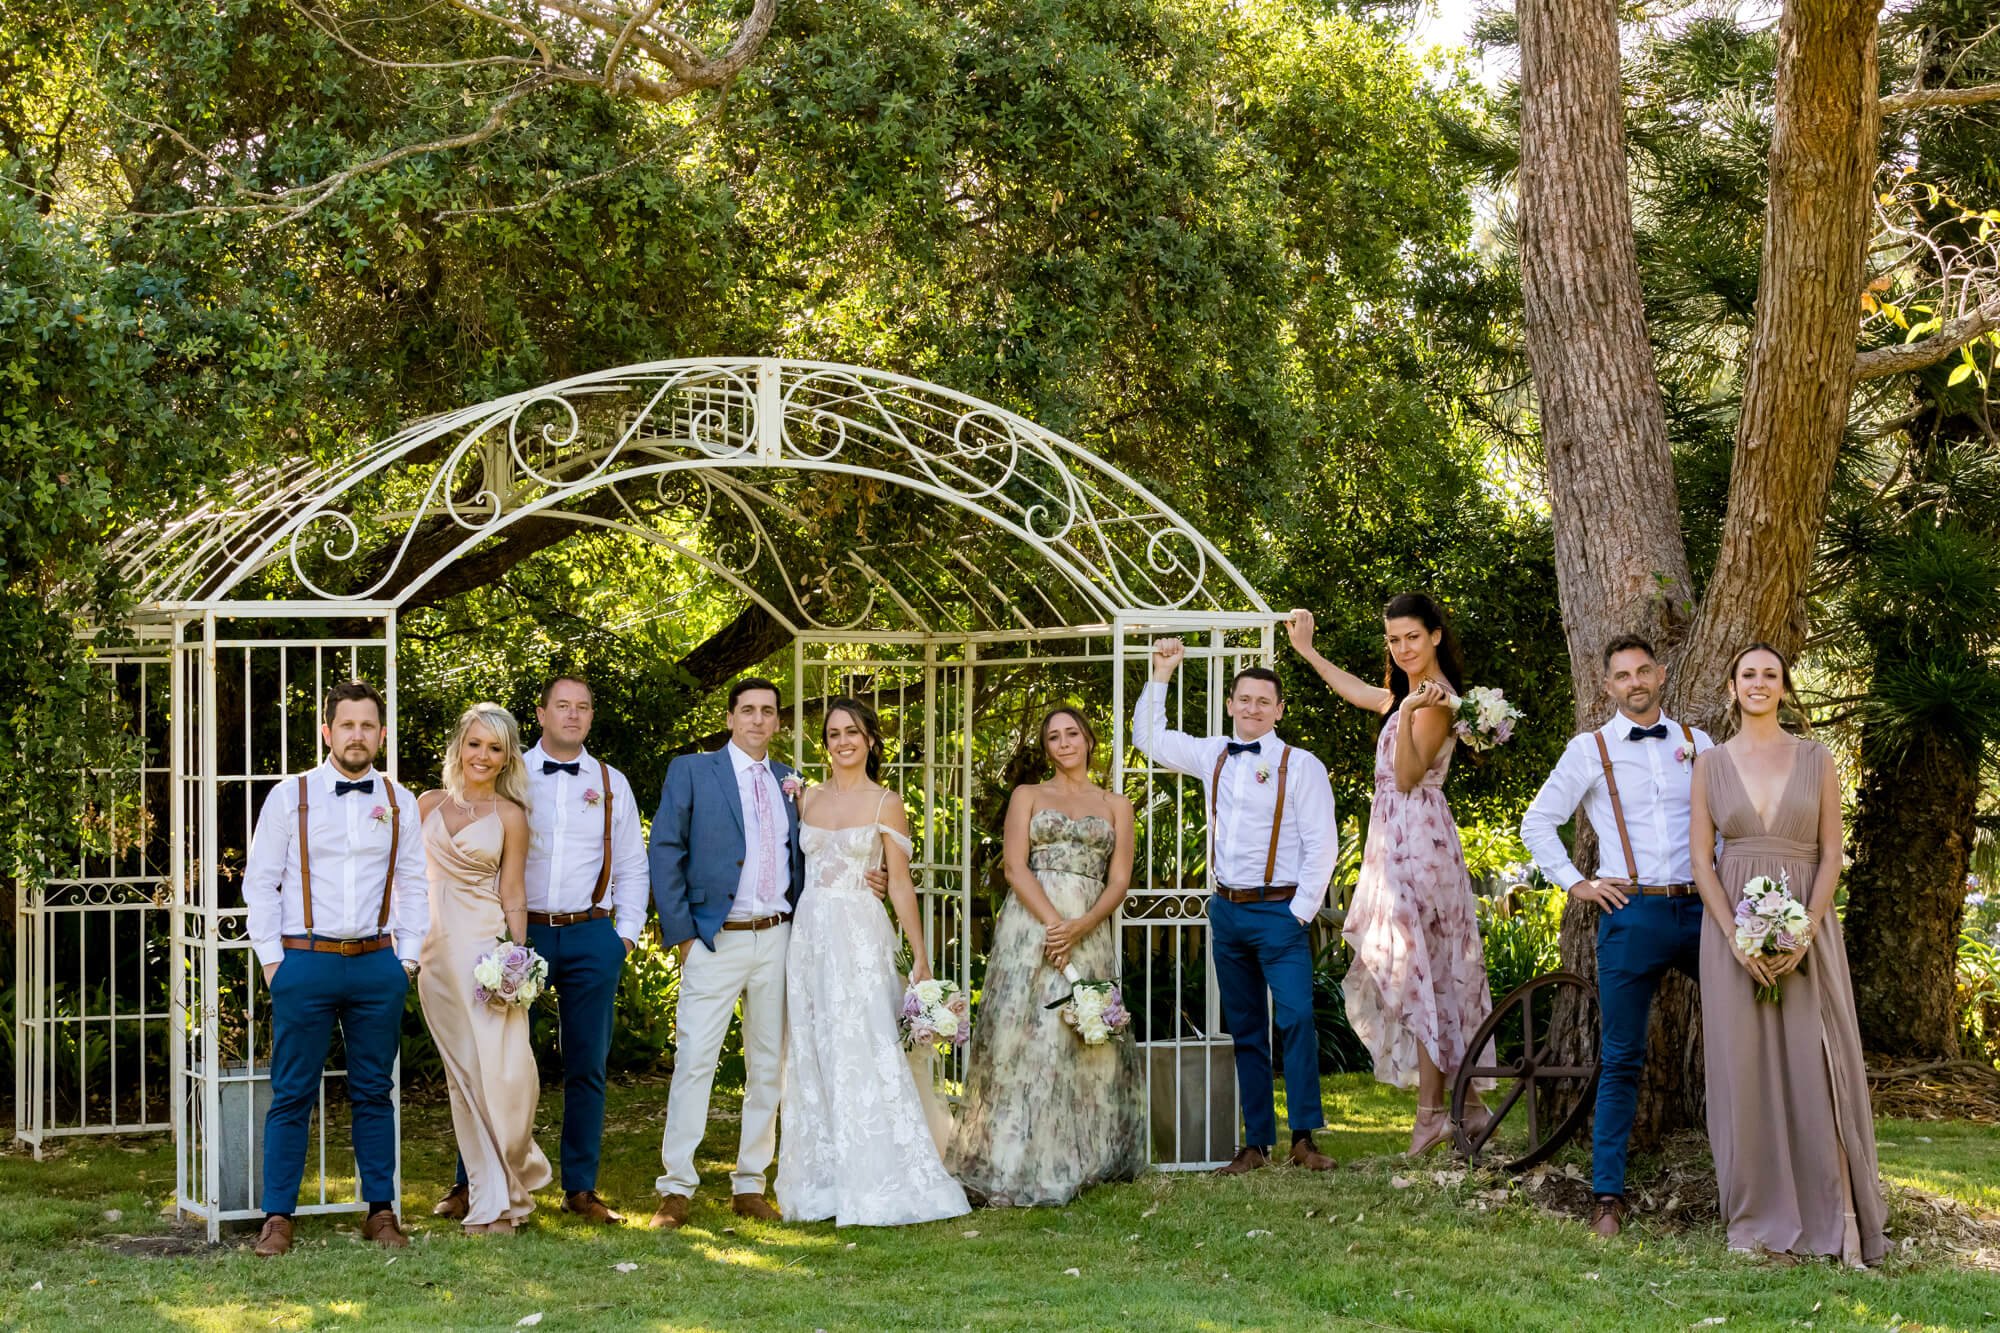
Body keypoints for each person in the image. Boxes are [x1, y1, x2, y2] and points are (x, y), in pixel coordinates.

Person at [645, 677, 884, 1229]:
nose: (757, 719)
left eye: (768, 712)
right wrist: (683, 935)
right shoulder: (693, 771)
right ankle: (676, 1188)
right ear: (730, 717)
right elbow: (665, 848)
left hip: (781, 937)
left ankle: (750, 1182)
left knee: (770, 1066)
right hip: (714, 937)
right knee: (695, 1061)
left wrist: (874, 876)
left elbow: (831, 849)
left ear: (779, 722)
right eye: (747, 710)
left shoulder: (792, 784)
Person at [1691, 643, 1886, 1266]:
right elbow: (1702, 860)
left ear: (1783, 687)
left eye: (1770, 675)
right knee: (1742, 1071)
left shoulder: (1816, 758)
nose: (1759, 683)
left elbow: (1832, 854)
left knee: (1815, 1068)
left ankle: (1836, 1216)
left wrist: (1801, 932)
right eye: (1748, 674)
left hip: (1810, 927)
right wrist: (1734, 936)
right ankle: (1755, 1218)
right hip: (1731, 941)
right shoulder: (1710, 763)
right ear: (1732, 686)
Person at [431, 676, 648, 1227]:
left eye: (583, 707)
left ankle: (580, 1187)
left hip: (588, 934)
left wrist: (622, 936)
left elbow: (631, 863)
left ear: (592, 716)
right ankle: (472, 1180)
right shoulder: (509, 772)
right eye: (562, 706)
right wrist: (508, 946)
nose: (573, 716)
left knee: (587, 1064)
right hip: (507, 936)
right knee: (493, 1059)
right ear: (542, 712)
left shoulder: (611, 782)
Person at [1520, 633, 1711, 1238]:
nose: (1634, 682)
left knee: (1741, 1044)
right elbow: (1538, 823)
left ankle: (1757, 1184)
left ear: (1660, 675)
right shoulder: (1590, 748)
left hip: (1702, 912)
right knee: (1623, 1057)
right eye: (1622, 675)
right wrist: (1577, 883)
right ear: (1607, 686)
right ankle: (1607, 1195)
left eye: (1643, 671)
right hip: (1631, 914)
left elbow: (1727, 824)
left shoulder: (1697, 744)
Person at [1288, 597, 1493, 1157]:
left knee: (1420, 975)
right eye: (1394, 641)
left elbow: (1405, 776)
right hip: (1401, 840)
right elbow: (1361, 692)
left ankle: (1434, 1115)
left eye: (1412, 638)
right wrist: (1309, 653)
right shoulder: (1412, 696)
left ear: (1434, 636)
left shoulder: (1434, 702)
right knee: (1428, 976)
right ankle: (1464, 1107)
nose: (1403, 649)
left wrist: (1405, 714)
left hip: (1418, 845)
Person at [1133, 638, 1339, 1175]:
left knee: (1295, 1019)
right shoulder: (1215, 755)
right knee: (1245, 1027)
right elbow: (1149, 738)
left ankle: (1304, 1137)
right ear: (1230, 704)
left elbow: (1322, 844)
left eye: (1263, 701)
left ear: (1278, 710)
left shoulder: (1303, 765)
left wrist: (1300, 912)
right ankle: (1255, 1143)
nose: (1252, 708)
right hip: (1226, 910)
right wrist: (1162, 674)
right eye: (1243, 699)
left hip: (1280, 913)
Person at [242, 680, 429, 1257]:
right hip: (305, 961)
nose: (357, 735)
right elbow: (260, 882)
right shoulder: (289, 796)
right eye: (346, 725)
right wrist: (273, 960)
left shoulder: (399, 800)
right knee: (292, 1093)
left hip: (377, 964)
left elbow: (415, 883)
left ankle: (380, 1210)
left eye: (367, 725)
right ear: (327, 732)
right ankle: (278, 1216)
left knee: (376, 1092)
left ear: (380, 734)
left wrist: (408, 958)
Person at [777, 698, 970, 1226]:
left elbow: (901, 882)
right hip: (810, 937)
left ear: (869, 741)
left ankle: (879, 1176)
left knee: (864, 1044)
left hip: (861, 936)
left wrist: (922, 957)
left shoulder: (888, 802)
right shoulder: (805, 798)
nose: (843, 742)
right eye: (834, 733)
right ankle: (822, 1182)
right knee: (815, 1048)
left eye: (853, 733)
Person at [949, 705, 1147, 1207]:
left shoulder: (1117, 804)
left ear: (1088, 740)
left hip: (1089, 925)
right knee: (1024, 1036)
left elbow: (1119, 879)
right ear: (1047, 747)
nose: (1063, 743)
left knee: (1081, 1038)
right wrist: (1055, 927)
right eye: (1054, 737)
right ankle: (1010, 1157)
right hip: (1030, 928)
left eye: (1072, 734)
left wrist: (1080, 926)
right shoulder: (1028, 795)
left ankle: (1081, 1156)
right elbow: (1015, 867)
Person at [414, 702, 550, 1235]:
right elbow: (403, 882)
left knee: (505, 1074)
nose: (484, 756)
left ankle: (509, 1189)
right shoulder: (425, 805)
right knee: (463, 1080)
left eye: (496, 748)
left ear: (507, 757)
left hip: (485, 955)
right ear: (459, 746)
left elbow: (513, 893)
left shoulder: (510, 815)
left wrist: (518, 962)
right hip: (435, 957)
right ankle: (495, 1201)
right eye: (476, 744)